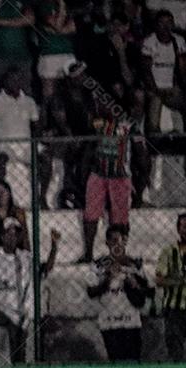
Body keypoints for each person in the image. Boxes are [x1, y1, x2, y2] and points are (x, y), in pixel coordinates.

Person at [0, 223, 58, 364]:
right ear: (2, 236)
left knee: (19, 344)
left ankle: (19, 366)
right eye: (8, 234)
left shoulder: (26, 257)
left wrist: (54, 247)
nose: (12, 237)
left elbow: (44, 270)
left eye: (15, 234)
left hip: (21, 309)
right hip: (1, 307)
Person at [80, 109, 141, 263]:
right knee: (90, 215)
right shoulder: (98, 123)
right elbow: (90, 146)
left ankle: (119, 253)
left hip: (121, 175)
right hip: (98, 172)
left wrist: (140, 180)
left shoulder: (129, 125)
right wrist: (84, 171)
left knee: (120, 218)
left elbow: (140, 149)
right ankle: (88, 254)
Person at [86, 225, 151, 362]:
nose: (118, 244)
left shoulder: (134, 264)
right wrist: (108, 278)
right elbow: (91, 292)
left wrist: (134, 284)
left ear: (125, 242)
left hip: (131, 321)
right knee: (115, 361)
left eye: (121, 241)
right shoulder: (98, 265)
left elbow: (147, 291)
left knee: (133, 361)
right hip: (109, 322)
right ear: (107, 243)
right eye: (114, 241)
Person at [142, 9, 186, 134]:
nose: (165, 26)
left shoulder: (179, 41)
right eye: (162, 23)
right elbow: (146, 71)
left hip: (172, 88)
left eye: (169, 22)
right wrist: (156, 90)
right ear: (156, 25)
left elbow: (183, 69)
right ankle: (154, 138)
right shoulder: (150, 42)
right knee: (155, 105)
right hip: (154, 88)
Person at [0, 68, 40, 165]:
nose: (15, 82)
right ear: (5, 82)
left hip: (26, 145)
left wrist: (35, 143)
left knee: (45, 155)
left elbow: (36, 126)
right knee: (2, 160)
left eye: (18, 79)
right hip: (3, 145)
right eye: (12, 79)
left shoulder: (29, 101)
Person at [155, 213, 186, 361]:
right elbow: (159, 280)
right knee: (175, 351)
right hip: (174, 309)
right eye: (184, 226)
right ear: (178, 229)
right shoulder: (168, 251)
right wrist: (179, 281)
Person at [34, 0, 76, 106]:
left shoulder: (71, 6)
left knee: (72, 91)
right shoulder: (44, 5)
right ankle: (44, 115)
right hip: (49, 55)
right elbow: (57, 26)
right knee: (49, 94)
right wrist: (62, 4)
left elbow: (73, 27)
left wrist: (61, 27)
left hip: (68, 54)